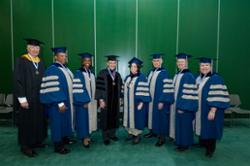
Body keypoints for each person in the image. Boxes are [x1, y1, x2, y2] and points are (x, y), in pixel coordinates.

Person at [13, 38, 47, 157]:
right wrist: (22, 99)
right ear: (28, 48)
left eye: (37, 48)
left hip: (38, 99)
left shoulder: (41, 62)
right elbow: (17, 81)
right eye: (32, 48)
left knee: (38, 120)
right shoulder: (22, 61)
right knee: (27, 122)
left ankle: (36, 141)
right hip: (27, 99)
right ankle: (25, 146)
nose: (35, 50)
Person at [40, 47, 75, 154]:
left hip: (66, 102)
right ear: (56, 57)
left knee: (64, 121)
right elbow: (53, 88)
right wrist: (60, 102)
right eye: (61, 56)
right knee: (57, 123)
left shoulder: (66, 69)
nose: (64, 58)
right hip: (56, 104)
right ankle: (58, 145)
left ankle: (64, 138)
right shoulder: (52, 69)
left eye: (65, 56)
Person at [194, 57, 230, 158]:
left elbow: (218, 95)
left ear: (211, 66)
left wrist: (213, 110)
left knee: (211, 127)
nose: (204, 67)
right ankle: (202, 142)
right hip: (200, 108)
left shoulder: (216, 78)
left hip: (211, 109)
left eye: (206, 65)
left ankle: (210, 149)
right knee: (202, 125)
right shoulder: (198, 78)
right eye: (202, 65)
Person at [169, 53, 198, 152]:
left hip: (185, 107)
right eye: (178, 62)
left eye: (182, 62)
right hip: (177, 105)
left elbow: (189, 94)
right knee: (180, 124)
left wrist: (183, 107)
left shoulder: (188, 76)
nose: (180, 63)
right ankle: (180, 141)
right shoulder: (177, 75)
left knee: (185, 125)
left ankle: (185, 144)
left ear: (186, 63)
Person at [144, 53, 174, 146]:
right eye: (154, 61)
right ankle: (152, 132)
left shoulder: (165, 73)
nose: (156, 62)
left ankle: (162, 137)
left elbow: (167, 88)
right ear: (152, 62)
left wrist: (162, 101)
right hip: (151, 101)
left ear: (161, 61)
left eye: (158, 61)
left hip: (160, 101)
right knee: (152, 116)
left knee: (161, 118)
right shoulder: (150, 72)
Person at [95, 55, 123, 145]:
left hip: (115, 101)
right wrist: (101, 100)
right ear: (107, 63)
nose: (112, 64)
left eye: (114, 63)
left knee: (114, 117)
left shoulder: (117, 75)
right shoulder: (102, 73)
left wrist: (121, 98)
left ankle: (112, 134)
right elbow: (99, 87)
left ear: (116, 64)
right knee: (105, 117)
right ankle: (105, 137)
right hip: (105, 100)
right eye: (110, 62)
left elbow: (121, 88)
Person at [123, 57, 151, 144]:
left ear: (138, 67)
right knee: (129, 118)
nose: (133, 68)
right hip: (128, 104)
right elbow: (123, 90)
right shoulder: (127, 77)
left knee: (137, 119)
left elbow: (144, 91)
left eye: (135, 66)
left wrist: (142, 103)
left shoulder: (141, 77)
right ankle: (130, 133)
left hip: (137, 104)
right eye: (132, 66)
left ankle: (137, 135)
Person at [73, 52, 97, 148]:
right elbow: (78, 88)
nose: (88, 62)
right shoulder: (79, 73)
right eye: (86, 60)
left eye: (89, 60)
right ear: (82, 62)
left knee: (90, 119)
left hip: (91, 102)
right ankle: (84, 138)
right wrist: (84, 101)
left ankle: (88, 135)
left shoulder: (91, 73)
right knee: (83, 119)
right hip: (83, 102)